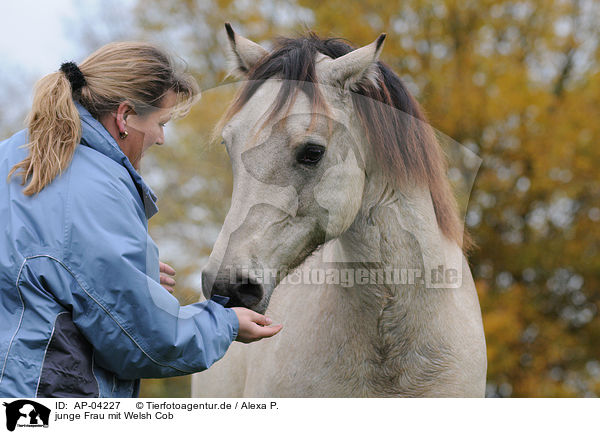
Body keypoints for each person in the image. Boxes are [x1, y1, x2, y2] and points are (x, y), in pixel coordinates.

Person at [0, 42, 282, 398]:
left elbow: (40, 276)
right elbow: (144, 340)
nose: (161, 139)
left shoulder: (12, 155)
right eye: (161, 123)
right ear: (125, 116)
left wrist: (133, 279)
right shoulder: (97, 188)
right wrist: (224, 323)